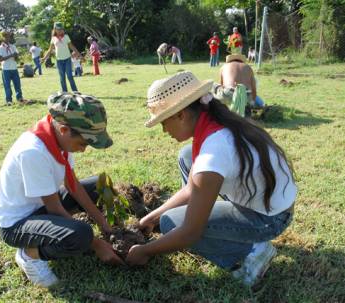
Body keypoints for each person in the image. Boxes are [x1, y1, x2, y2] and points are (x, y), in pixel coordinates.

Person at [126, 71, 297, 287]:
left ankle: (251, 254)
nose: (163, 131)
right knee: (186, 156)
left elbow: (190, 232)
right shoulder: (214, 123)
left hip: (270, 218)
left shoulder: (214, 150)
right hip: (267, 203)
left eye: (163, 122)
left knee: (172, 223)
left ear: (181, 115)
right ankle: (201, 218)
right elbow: (191, 189)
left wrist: (144, 251)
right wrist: (150, 218)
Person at [0, 92, 123, 288]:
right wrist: (96, 243)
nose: (84, 149)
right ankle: (29, 255)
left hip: (40, 207)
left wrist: (104, 224)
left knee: (98, 186)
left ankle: (62, 234)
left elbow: (73, 185)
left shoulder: (56, 137)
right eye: (83, 143)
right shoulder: (33, 152)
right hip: (17, 224)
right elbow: (55, 208)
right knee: (82, 235)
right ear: (64, 129)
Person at [42, 22, 81, 92]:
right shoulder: (53, 38)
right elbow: (50, 50)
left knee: (70, 76)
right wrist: (44, 58)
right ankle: (65, 92)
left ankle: (75, 92)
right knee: (62, 78)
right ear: (55, 29)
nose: (60, 30)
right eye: (58, 29)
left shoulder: (66, 37)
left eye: (61, 29)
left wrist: (79, 55)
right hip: (59, 61)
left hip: (67, 59)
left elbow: (72, 46)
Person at [0, 31, 27, 106]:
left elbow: (16, 58)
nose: (7, 38)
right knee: (7, 86)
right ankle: (9, 100)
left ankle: (19, 98)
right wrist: (11, 55)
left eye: (8, 36)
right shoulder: (0, 48)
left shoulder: (13, 46)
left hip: (14, 68)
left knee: (17, 84)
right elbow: (0, 59)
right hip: (6, 69)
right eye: (5, 36)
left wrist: (16, 56)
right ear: (2, 38)